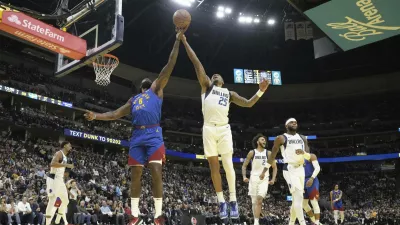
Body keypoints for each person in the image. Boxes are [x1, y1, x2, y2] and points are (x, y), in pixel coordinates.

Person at [84, 30, 184, 225]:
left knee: (156, 172)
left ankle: (158, 214)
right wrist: (95, 116)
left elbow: (169, 66)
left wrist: (177, 42)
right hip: (137, 135)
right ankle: (135, 215)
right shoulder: (134, 99)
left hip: (154, 133)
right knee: (135, 174)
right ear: (141, 88)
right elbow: (114, 114)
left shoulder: (157, 90)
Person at [181, 35, 270, 219]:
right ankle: (222, 202)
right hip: (208, 129)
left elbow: (248, 103)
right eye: (212, 75)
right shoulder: (206, 87)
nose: (214, 75)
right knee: (214, 166)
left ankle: (233, 201)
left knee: (228, 165)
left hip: (223, 129)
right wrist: (184, 40)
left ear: (222, 80)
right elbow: (196, 63)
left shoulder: (229, 93)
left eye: (217, 75)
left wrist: (261, 90)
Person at [262, 118, 311, 225]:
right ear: (286, 125)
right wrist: (265, 170)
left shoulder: (303, 138)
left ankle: (291, 223)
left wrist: (303, 153)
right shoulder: (281, 138)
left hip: (301, 169)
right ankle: (303, 223)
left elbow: (308, 156)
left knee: (295, 200)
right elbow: (272, 157)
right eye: (291, 122)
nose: (294, 123)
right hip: (289, 169)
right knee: (299, 197)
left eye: (296, 122)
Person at [242, 134, 277, 225]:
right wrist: (244, 176)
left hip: (264, 179)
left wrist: (273, 179)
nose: (264, 141)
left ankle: (256, 222)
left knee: (259, 199)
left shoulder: (268, 153)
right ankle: (256, 219)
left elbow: (274, 167)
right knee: (254, 202)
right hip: (253, 179)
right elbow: (244, 166)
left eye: (265, 140)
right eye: (262, 140)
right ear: (258, 142)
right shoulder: (252, 152)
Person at [45, 141, 74, 225]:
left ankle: (57, 220)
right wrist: (67, 165)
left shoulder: (65, 157)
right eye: (69, 145)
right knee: (52, 200)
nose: (71, 147)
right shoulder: (59, 153)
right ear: (64, 146)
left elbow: (61, 170)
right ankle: (47, 223)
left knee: (65, 201)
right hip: (53, 179)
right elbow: (52, 164)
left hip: (60, 180)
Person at [303, 152, 321, 225]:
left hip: (312, 179)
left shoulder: (311, 156)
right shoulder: (297, 158)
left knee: (313, 201)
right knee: (304, 204)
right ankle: (314, 220)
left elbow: (317, 168)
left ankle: (317, 222)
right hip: (302, 181)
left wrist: (312, 178)